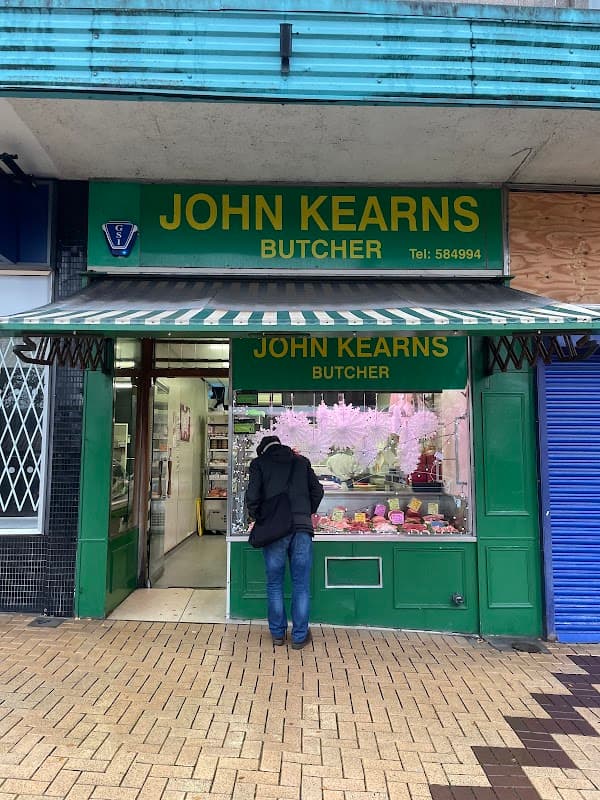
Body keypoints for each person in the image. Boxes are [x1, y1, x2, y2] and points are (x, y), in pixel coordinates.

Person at [245, 434, 324, 649]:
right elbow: (318, 491)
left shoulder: (259, 464)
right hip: (302, 529)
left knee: (274, 584)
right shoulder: (301, 462)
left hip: (274, 530)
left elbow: (252, 497)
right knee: (301, 585)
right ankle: (299, 636)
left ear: (263, 450)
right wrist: (306, 512)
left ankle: (278, 634)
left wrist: (261, 517)